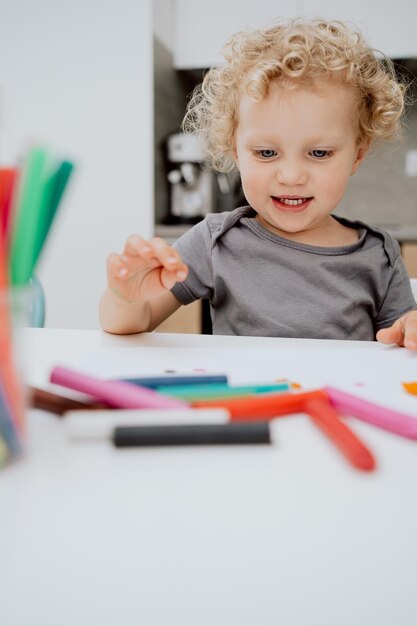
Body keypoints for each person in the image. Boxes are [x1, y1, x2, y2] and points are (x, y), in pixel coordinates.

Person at [99, 17, 417, 348]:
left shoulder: (378, 255)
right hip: (243, 399)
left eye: (319, 153)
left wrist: (410, 327)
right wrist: (125, 299)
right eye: (266, 152)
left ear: (357, 155)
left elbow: (399, 347)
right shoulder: (215, 242)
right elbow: (134, 322)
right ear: (235, 151)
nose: (291, 176)